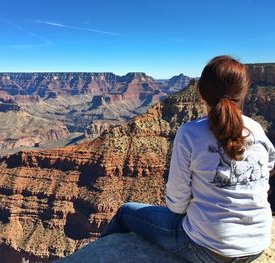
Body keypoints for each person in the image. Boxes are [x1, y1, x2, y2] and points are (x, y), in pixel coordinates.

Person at [99, 55, 275, 263]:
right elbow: (269, 166)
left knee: (125, 212)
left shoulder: (190, 133)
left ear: (201, 93)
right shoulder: (256, 129)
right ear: (244, 93)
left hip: (207, 250)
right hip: (257, 245)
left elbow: (176, 206)